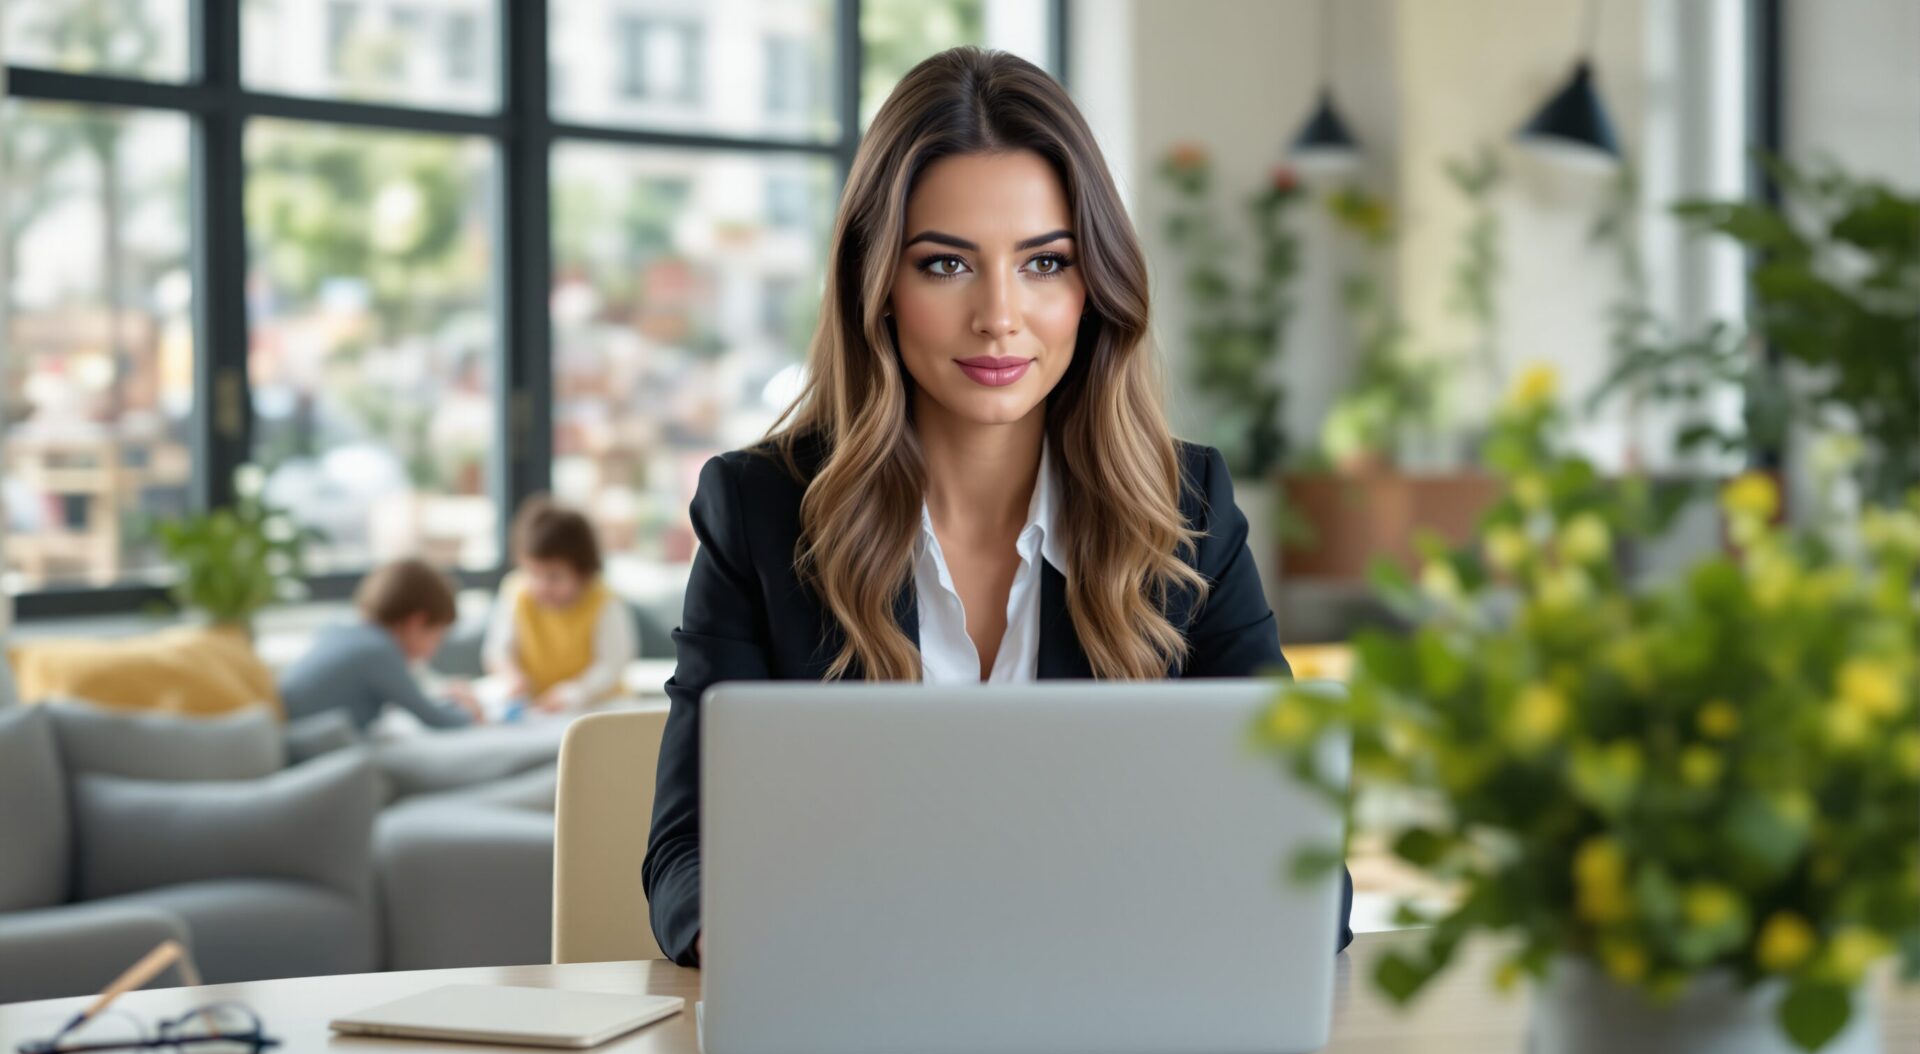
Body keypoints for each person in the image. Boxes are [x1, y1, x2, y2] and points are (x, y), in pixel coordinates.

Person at [642, 46, 1354, 968]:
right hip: (850, 1016)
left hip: (1115, 1019)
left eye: (1045, 262)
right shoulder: (761, 511)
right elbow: (683, 862)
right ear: (879, 285)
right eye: (945, 265)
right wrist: (789, 947)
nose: (1000, 316)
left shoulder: (1190, 513)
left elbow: (1304, 871)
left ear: (1093, 283)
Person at [279, 557, 481, 731]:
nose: (437, 647)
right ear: (416, 623)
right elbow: (437, 720)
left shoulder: (342, 630)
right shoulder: (378, 651)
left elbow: (412, 700)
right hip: (313, 743)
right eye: (438, 635)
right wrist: (471, 711)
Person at [482, 496, 636, 715]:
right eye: (533, 573)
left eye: (554, 577)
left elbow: (613, 664)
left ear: (583, 573)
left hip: (596, 705)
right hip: (537, 706)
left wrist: (575, 692)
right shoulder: (516, 592)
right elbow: (498, 650)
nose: (542, 585)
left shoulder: (603, 600)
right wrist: (512, 676)